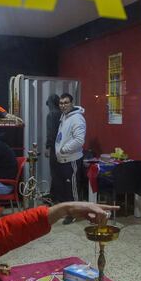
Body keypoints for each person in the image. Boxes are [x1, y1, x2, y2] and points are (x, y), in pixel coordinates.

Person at [54, 93, 86, 223]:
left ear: (72, 103)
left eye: (66, 102)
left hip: (71, 159)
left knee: (73, 189)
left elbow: (79, 140)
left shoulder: (77, 118)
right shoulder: (64, 116)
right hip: (63, 159)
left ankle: (75, 214)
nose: (63, 105)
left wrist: (64, 149)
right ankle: (69, 212)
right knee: (66, 189)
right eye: (61, 103)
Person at [45, 94, 62, 201]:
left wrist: (48, 147)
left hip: (54, 148)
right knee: (59, 172)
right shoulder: (62, 114)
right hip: (62, 147)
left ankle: (54, 197)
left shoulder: (51, 115)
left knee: (54, 172)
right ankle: (55, 195)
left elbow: (51, 133)